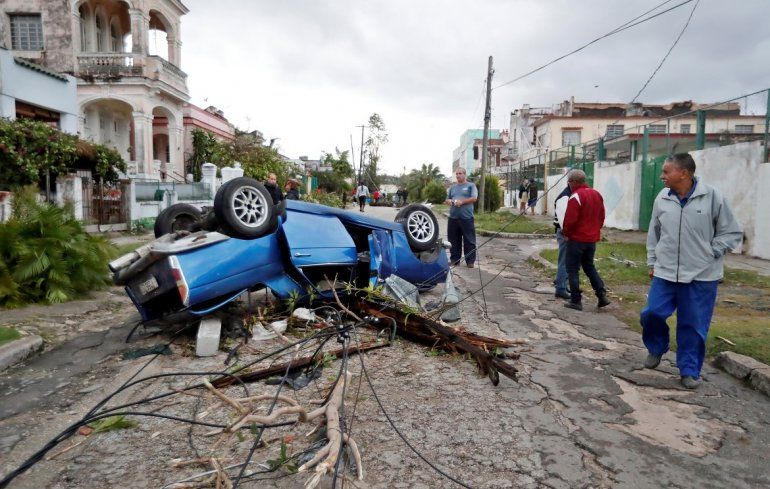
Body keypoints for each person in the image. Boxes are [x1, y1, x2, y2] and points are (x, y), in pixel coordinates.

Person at [640, 153, 742, 389]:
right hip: (665, 272)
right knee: (652, 313)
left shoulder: (713, 197)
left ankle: (689, 370)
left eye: (666, 172)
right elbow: (654, 233)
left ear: (683, 173)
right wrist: (652, 262)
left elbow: (731, 233)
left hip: (701, 276)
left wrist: (711, 251)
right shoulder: (662, 198)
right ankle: (657, 347)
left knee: (693, 325)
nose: (662, 176)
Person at [561, 169, 610, 311]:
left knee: (572, 269)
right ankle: (601, 296)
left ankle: (575, 300)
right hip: (591, 239)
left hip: (576, 239)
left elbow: (570, 220)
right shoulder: (596, 194)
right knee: (589, 267)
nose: (568, 185)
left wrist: (566, 233)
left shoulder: (576, 196)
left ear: (575, 182)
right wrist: (595, 230)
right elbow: (601, 216)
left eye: (569, 182)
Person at [444, 167, 478, 268]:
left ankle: (470, 261)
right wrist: (449, 201)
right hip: (453, 217)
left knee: (469, 240)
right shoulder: (453, 187)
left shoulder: (471, 186)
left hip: (466, 218)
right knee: (453, 240)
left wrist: (462, 202)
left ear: (464, 174)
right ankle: (455, 260)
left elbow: (474, 198)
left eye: (460, 173)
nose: (458, 175)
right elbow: (447, 199)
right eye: (457, 174)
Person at [552, 182, 572, 300]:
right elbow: (564, 218)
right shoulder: (565, 197)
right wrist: (567, 234)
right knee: (564, 261)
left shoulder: (569, 194)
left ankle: (563, 284)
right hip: (564, 232)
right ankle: (560, 287)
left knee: (568, 260)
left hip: (566, 232)